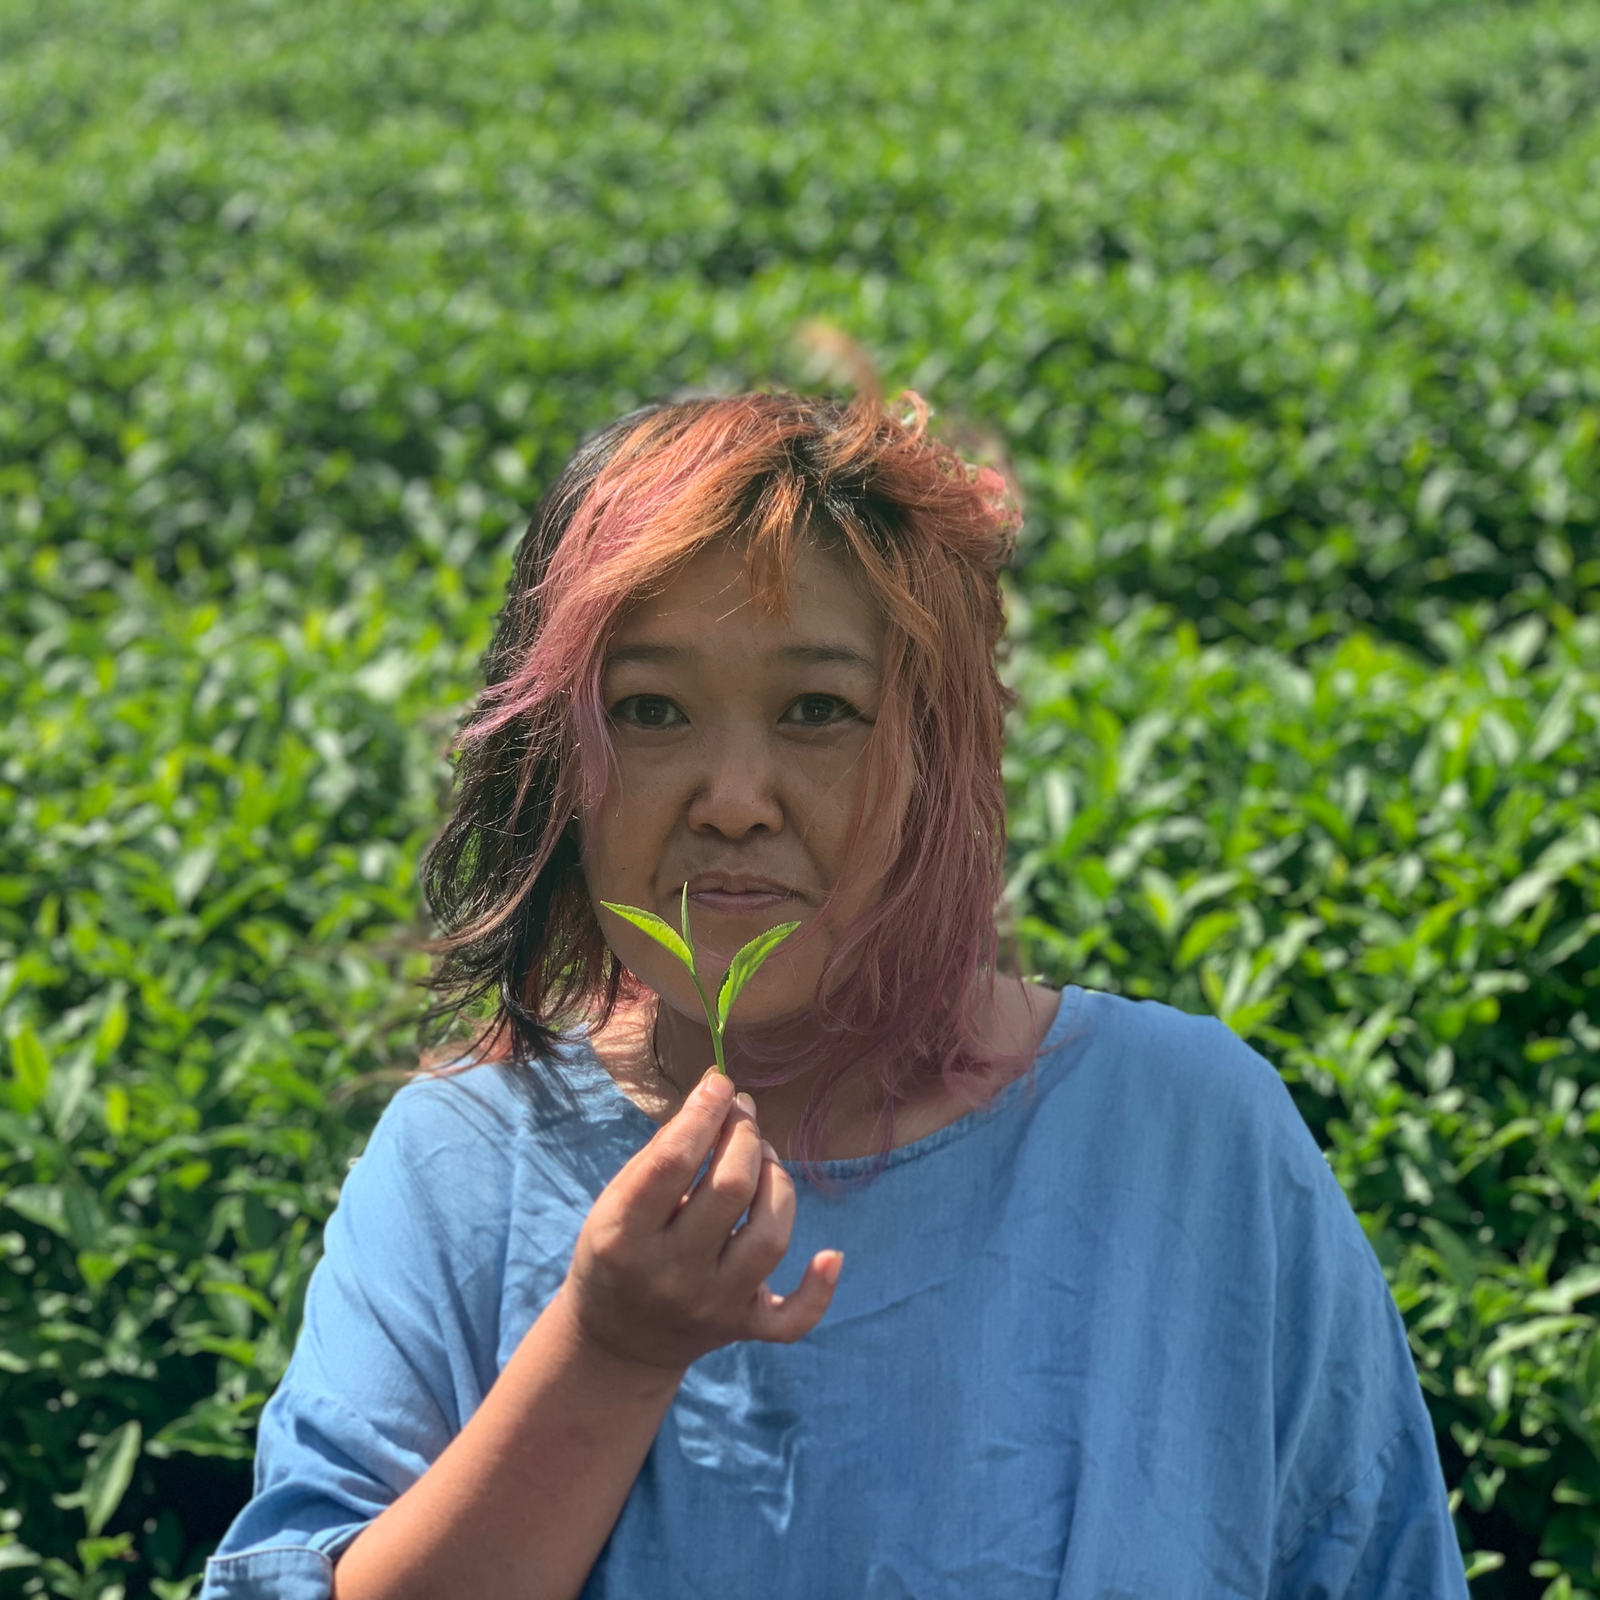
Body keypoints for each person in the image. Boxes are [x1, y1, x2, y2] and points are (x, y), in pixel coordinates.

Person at [200, 390, 1469, 1599]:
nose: (735, 797)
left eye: (819, 709)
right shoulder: (463, 1166)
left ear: (939, 755)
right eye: (648, 710)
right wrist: (608, 1352)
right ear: (557, 770)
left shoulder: (1190, 1137)